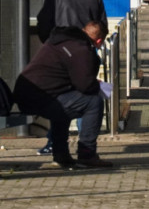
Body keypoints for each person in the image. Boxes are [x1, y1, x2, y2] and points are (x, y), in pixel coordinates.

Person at [34, 0, 108, 155]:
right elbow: (102, 28)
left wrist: (51, 46)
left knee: (62, 97)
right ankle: (85, 143)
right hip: (84, 57)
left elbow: (43, 24)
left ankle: (55, 143)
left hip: (58, 58)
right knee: (87, 96)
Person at [14, 21, 112, 169]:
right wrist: (97, 85)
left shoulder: (61, 40)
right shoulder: (81, 49)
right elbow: (85, 85)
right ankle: (87, 153)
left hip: (28, 94)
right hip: (40, 97)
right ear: (99, 41)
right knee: (94, 102)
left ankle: (61, 155)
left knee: (64, 107)